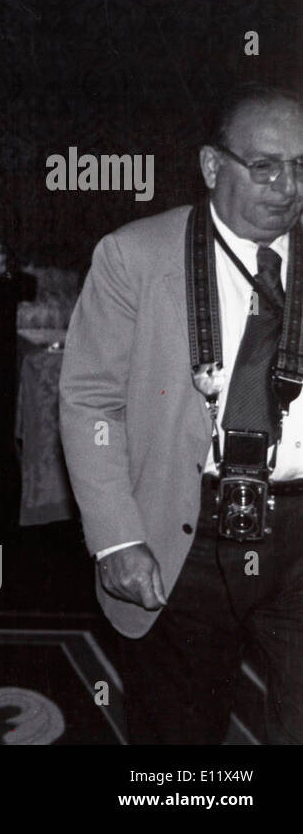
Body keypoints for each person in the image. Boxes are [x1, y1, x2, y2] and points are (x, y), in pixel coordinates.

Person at [60, 83, 303, 744]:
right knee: (180, 739)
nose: (286, 186)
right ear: (212, 166)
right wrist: (116, 537)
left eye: (302, 168)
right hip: (184, 531)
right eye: (265, 165)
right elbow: (89, 401)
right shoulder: (133, 256)